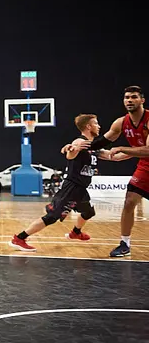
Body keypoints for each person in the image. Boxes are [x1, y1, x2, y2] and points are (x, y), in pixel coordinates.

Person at [10, 114, 129, 251]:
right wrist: (73, 149)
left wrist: (136, 152)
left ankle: (75, 233)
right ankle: (19, 238)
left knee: (88, 212)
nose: (99, 126)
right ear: (88, 126)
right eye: (96, 123)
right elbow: (70, 154)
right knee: (52, 217)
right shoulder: (80, 141)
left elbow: (114, 157)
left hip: (81, 189)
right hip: (71, 187)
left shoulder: (93, 146)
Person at [63, 86, 148, 257]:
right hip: (145, 166)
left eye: (134, 97)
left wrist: (123, 149)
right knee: (129, 201)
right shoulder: (120, 122)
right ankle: (125, 243)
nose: (129, 100)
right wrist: (75, 146)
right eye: (126, 97)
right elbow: (99, 143)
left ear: (142, 100)